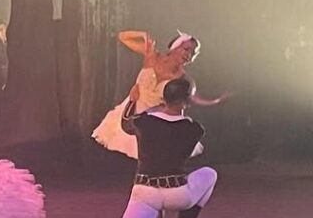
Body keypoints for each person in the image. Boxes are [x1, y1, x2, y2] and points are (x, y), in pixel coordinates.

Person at [112, 75, 218, 218]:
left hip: (145, 193)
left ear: (164, 98)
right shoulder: (195, 129)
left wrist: (133, 100)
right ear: (187, 101)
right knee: (209, 174)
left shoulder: (142, 122)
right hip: (178, 194)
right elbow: (178, 129)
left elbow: (125, 122)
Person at [93, 30, 227, 159]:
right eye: (186, 49)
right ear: (175, 47)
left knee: (151, 157)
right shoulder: (152, 56)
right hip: (130, 110)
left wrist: (215, 101)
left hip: (155, 121)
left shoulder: (184, 79)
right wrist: (142, 34)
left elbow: (189, 101)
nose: (189, 55)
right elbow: (122, 37)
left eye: (193, 54)